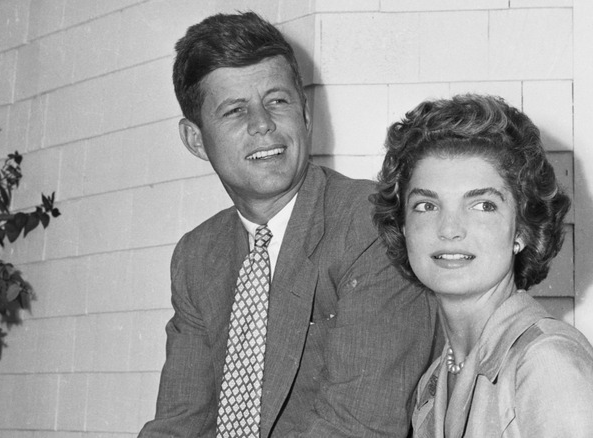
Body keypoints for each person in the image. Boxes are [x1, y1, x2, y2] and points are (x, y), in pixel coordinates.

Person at [139, 11, 439, 438]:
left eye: (277, 101)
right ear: (195, 139)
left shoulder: (369, 223)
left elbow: (358, 426)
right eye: (234, 110)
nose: (262, 124)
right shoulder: (197, 255)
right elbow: (179, 422)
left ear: (305, 113)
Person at [371, 94, 593, 437]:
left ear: (522, 230)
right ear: (402, 228)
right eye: (426, 206)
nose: (449, 229)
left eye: (483, 205)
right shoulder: (434, 382)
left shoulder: (548, 364)